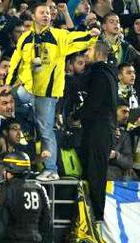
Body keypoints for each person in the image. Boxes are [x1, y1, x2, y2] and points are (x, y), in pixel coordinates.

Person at [4, 2, 100, 181]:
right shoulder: (25, 37)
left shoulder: (58, 36)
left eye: (48, 13)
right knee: (6, 103)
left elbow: (76, 39)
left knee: (46, 130)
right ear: (33, 16)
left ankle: (51, 169)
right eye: (42, 12)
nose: (46, 15)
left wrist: (91, 35)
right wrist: (8, 84)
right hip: (27, 89)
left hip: (47, 94)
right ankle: (3, 156)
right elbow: (16, 61)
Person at [75, 40, 118, 224]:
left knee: (95, 173)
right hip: (102, 129)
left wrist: (76, 115)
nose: (86, 53)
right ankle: (90, 215)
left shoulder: (100, 74)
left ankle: (96, 218)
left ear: (99, 53)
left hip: (98, 130)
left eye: (90, 50)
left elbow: (93, 104)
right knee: (94, 172)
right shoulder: (109, 74)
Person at [0, 151, 51, 243]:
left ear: (11, 169)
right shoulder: (39, 188)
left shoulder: (5, 188)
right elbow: (47, 224)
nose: (3, 172)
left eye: (5, 168)